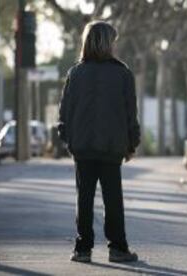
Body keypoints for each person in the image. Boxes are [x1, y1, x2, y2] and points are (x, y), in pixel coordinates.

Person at [58, 21, 140, 263]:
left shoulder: (75, 73)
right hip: (111, 148)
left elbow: (65, 113)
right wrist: (131, 144)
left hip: (82, 148)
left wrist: (69, 140)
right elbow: (130, 114)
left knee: (83, 198)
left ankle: (82, 249)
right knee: (113, 199)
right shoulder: (123, 73)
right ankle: (118, 248)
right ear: (108, 43)